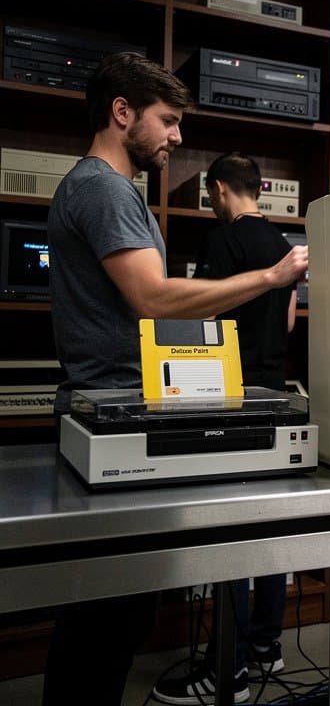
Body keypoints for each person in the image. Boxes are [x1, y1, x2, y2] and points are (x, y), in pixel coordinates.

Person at [44, 52, 308, 706]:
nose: (177, 137)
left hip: (127, 408)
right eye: (168, 121)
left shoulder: (110, 191)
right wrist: (272, 279)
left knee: (112, 621)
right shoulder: (102, 189)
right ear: (122, 112)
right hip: (108, 412)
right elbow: (155, 301)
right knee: (102, 623)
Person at [151, 152, 296, 705]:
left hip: (232, 397)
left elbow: (199, 316)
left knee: (234, 529)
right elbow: (285, 318)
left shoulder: (224, 242)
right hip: (276, 395)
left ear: (218, 189)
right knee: (267, 525)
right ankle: (265, 645)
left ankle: (227, 669)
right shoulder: (283, 245)